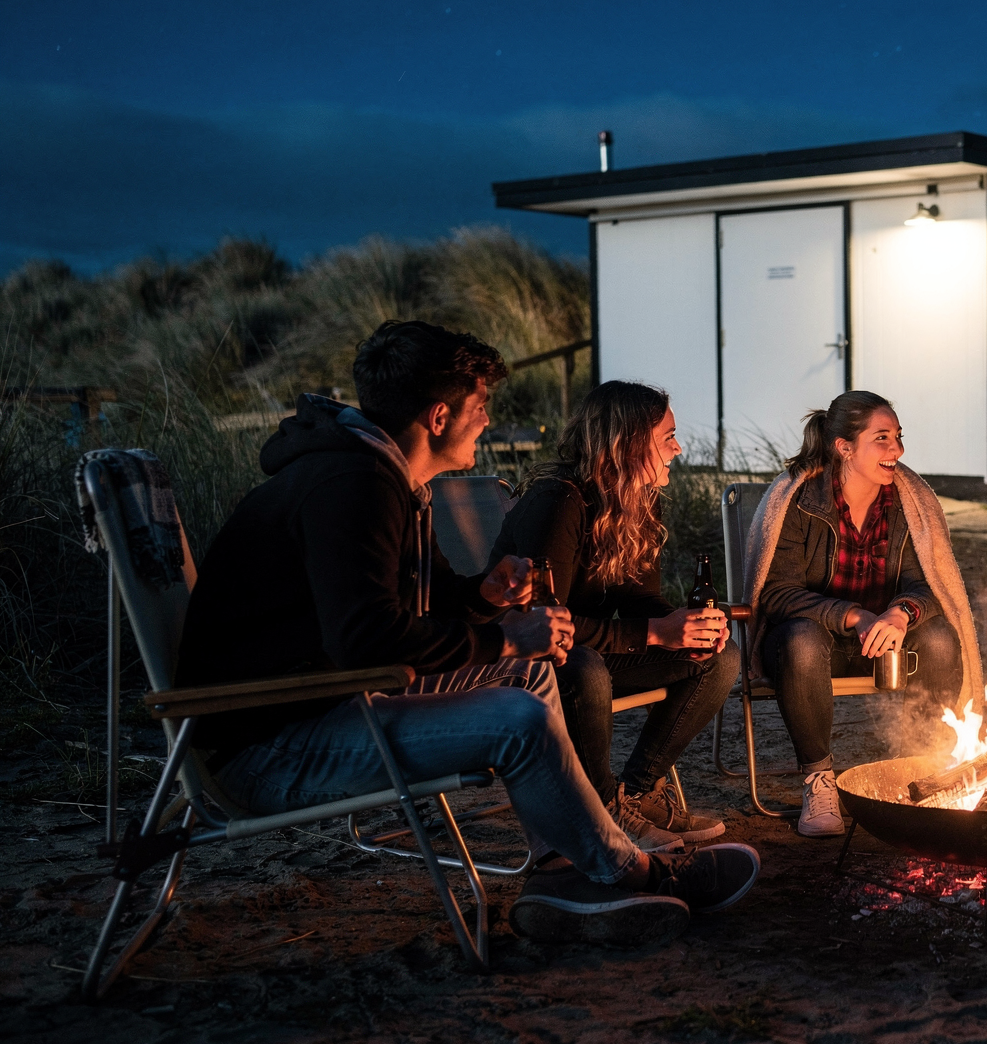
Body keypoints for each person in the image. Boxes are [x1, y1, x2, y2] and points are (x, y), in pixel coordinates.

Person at [174, 320, 758, 949]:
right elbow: (367, 639)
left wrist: (481, 595)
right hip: (268, 743)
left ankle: (561, 870)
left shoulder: (387, 479)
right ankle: (630, 869)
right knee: (518, 711)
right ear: (440, 415)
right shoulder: (352, 486)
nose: (487, 421)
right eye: (481, 408)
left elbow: (422, 603)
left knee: (529, 676)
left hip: (331, 702)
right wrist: (507, 639)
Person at [489, 381, 738, 852]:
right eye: (667, 437)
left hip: (593, 654)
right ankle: (602, 813)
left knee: (718, 658)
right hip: (526, 661)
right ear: (626, 443)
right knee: (585, 667)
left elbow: (638, 597)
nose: (678, 448)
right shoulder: (558, 502)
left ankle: (639, 793)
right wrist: (654, 633)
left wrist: (684, 627)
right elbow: (545, 622)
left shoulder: (637, 498)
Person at [743, 391, 984, 837]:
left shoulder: (907, 502)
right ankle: (819, 781)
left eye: (898, 437)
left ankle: (930, 767)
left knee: (938, 638)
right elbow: (775, 592)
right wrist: (854, 616)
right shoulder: (798, 499)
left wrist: (901, 614)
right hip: (812, 647)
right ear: (844, 447)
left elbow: (930, 585)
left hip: (884, 644)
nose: (898, 450)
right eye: (882, 439)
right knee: (801, 640)